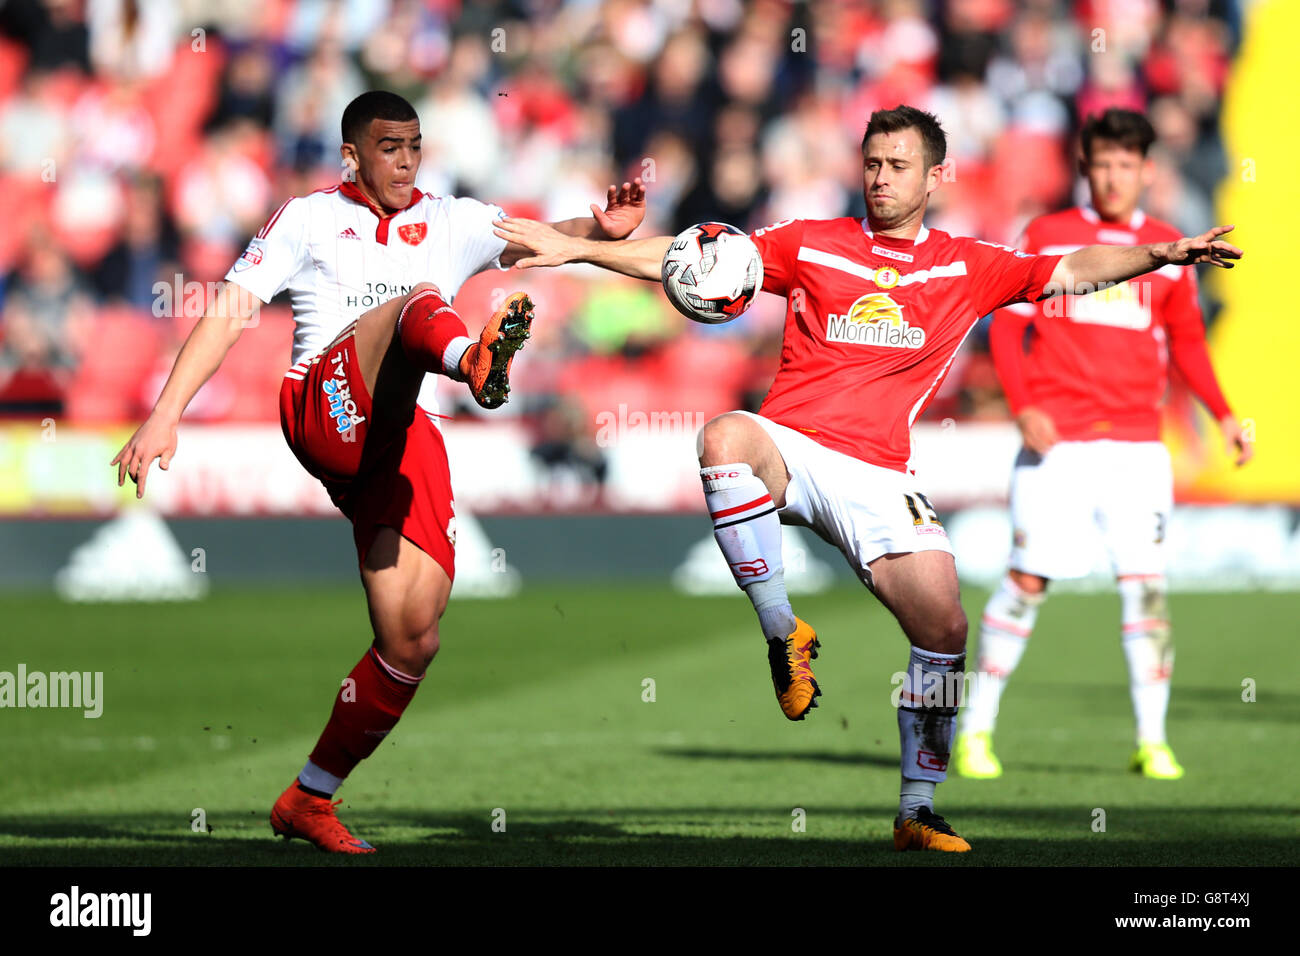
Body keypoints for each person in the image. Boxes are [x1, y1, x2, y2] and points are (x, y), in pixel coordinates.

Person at [492, 104, 1242, 852]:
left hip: (880, 471)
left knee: (945, 632)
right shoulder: (813, 243)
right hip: (788, 441)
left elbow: (1071, 270)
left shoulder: (967, 264)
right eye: (872, 163)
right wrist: (574, 249)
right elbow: (689, 260)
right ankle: (784, 632)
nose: (879, 179)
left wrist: (1164, 252)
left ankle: (917, 810)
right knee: (722, 435)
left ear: (936, 176)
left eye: (897, 166)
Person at [111, 90, 645, 853]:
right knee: (416, 300)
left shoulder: (454, 218)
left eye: (415, 145)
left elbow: (534, 241)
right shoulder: (307, 217)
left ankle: (309, 797)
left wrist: (597, 231)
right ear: (352, 154)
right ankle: (474, 358)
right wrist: (166, 413)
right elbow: (231, 307)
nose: (405, 160)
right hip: (319, 405)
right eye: (388, 147)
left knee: (412, 637)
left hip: (395, 432)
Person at [953, 109, 1252, 782]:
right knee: (1028, 581)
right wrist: (1023, 404)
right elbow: (1006, 323)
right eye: (1103, 163)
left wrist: (1224, 414)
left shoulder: (1172, 247)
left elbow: (1188, 341)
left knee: (1145, 591)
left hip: (1139, 450)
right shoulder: (1049, 235)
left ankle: (1152, 741)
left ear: (1147, 170)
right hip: (1058, 443)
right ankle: (976, 731)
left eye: (1127, 164)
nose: (1114, 176)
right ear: (1085, 167)